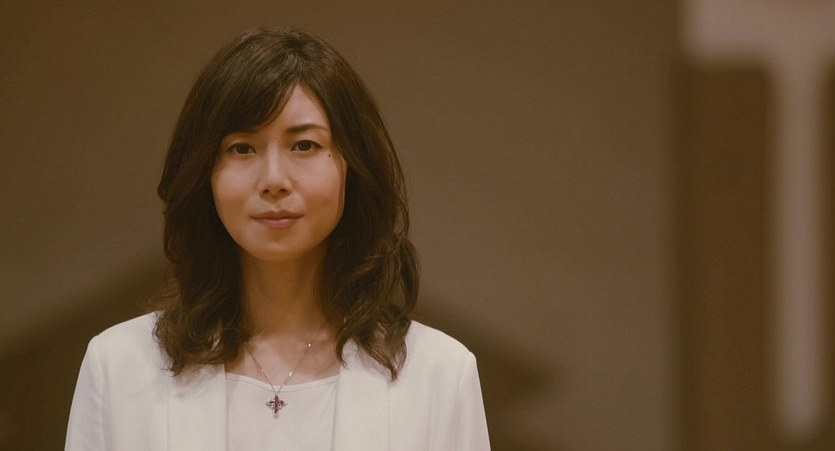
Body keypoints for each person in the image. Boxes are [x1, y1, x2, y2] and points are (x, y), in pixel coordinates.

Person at [65, 26, 490, 450]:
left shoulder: (439, 374)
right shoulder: (119, 367)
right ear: (204, 173)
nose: (273, 179)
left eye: (304, 145)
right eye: (242, 148)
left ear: (352, 166)